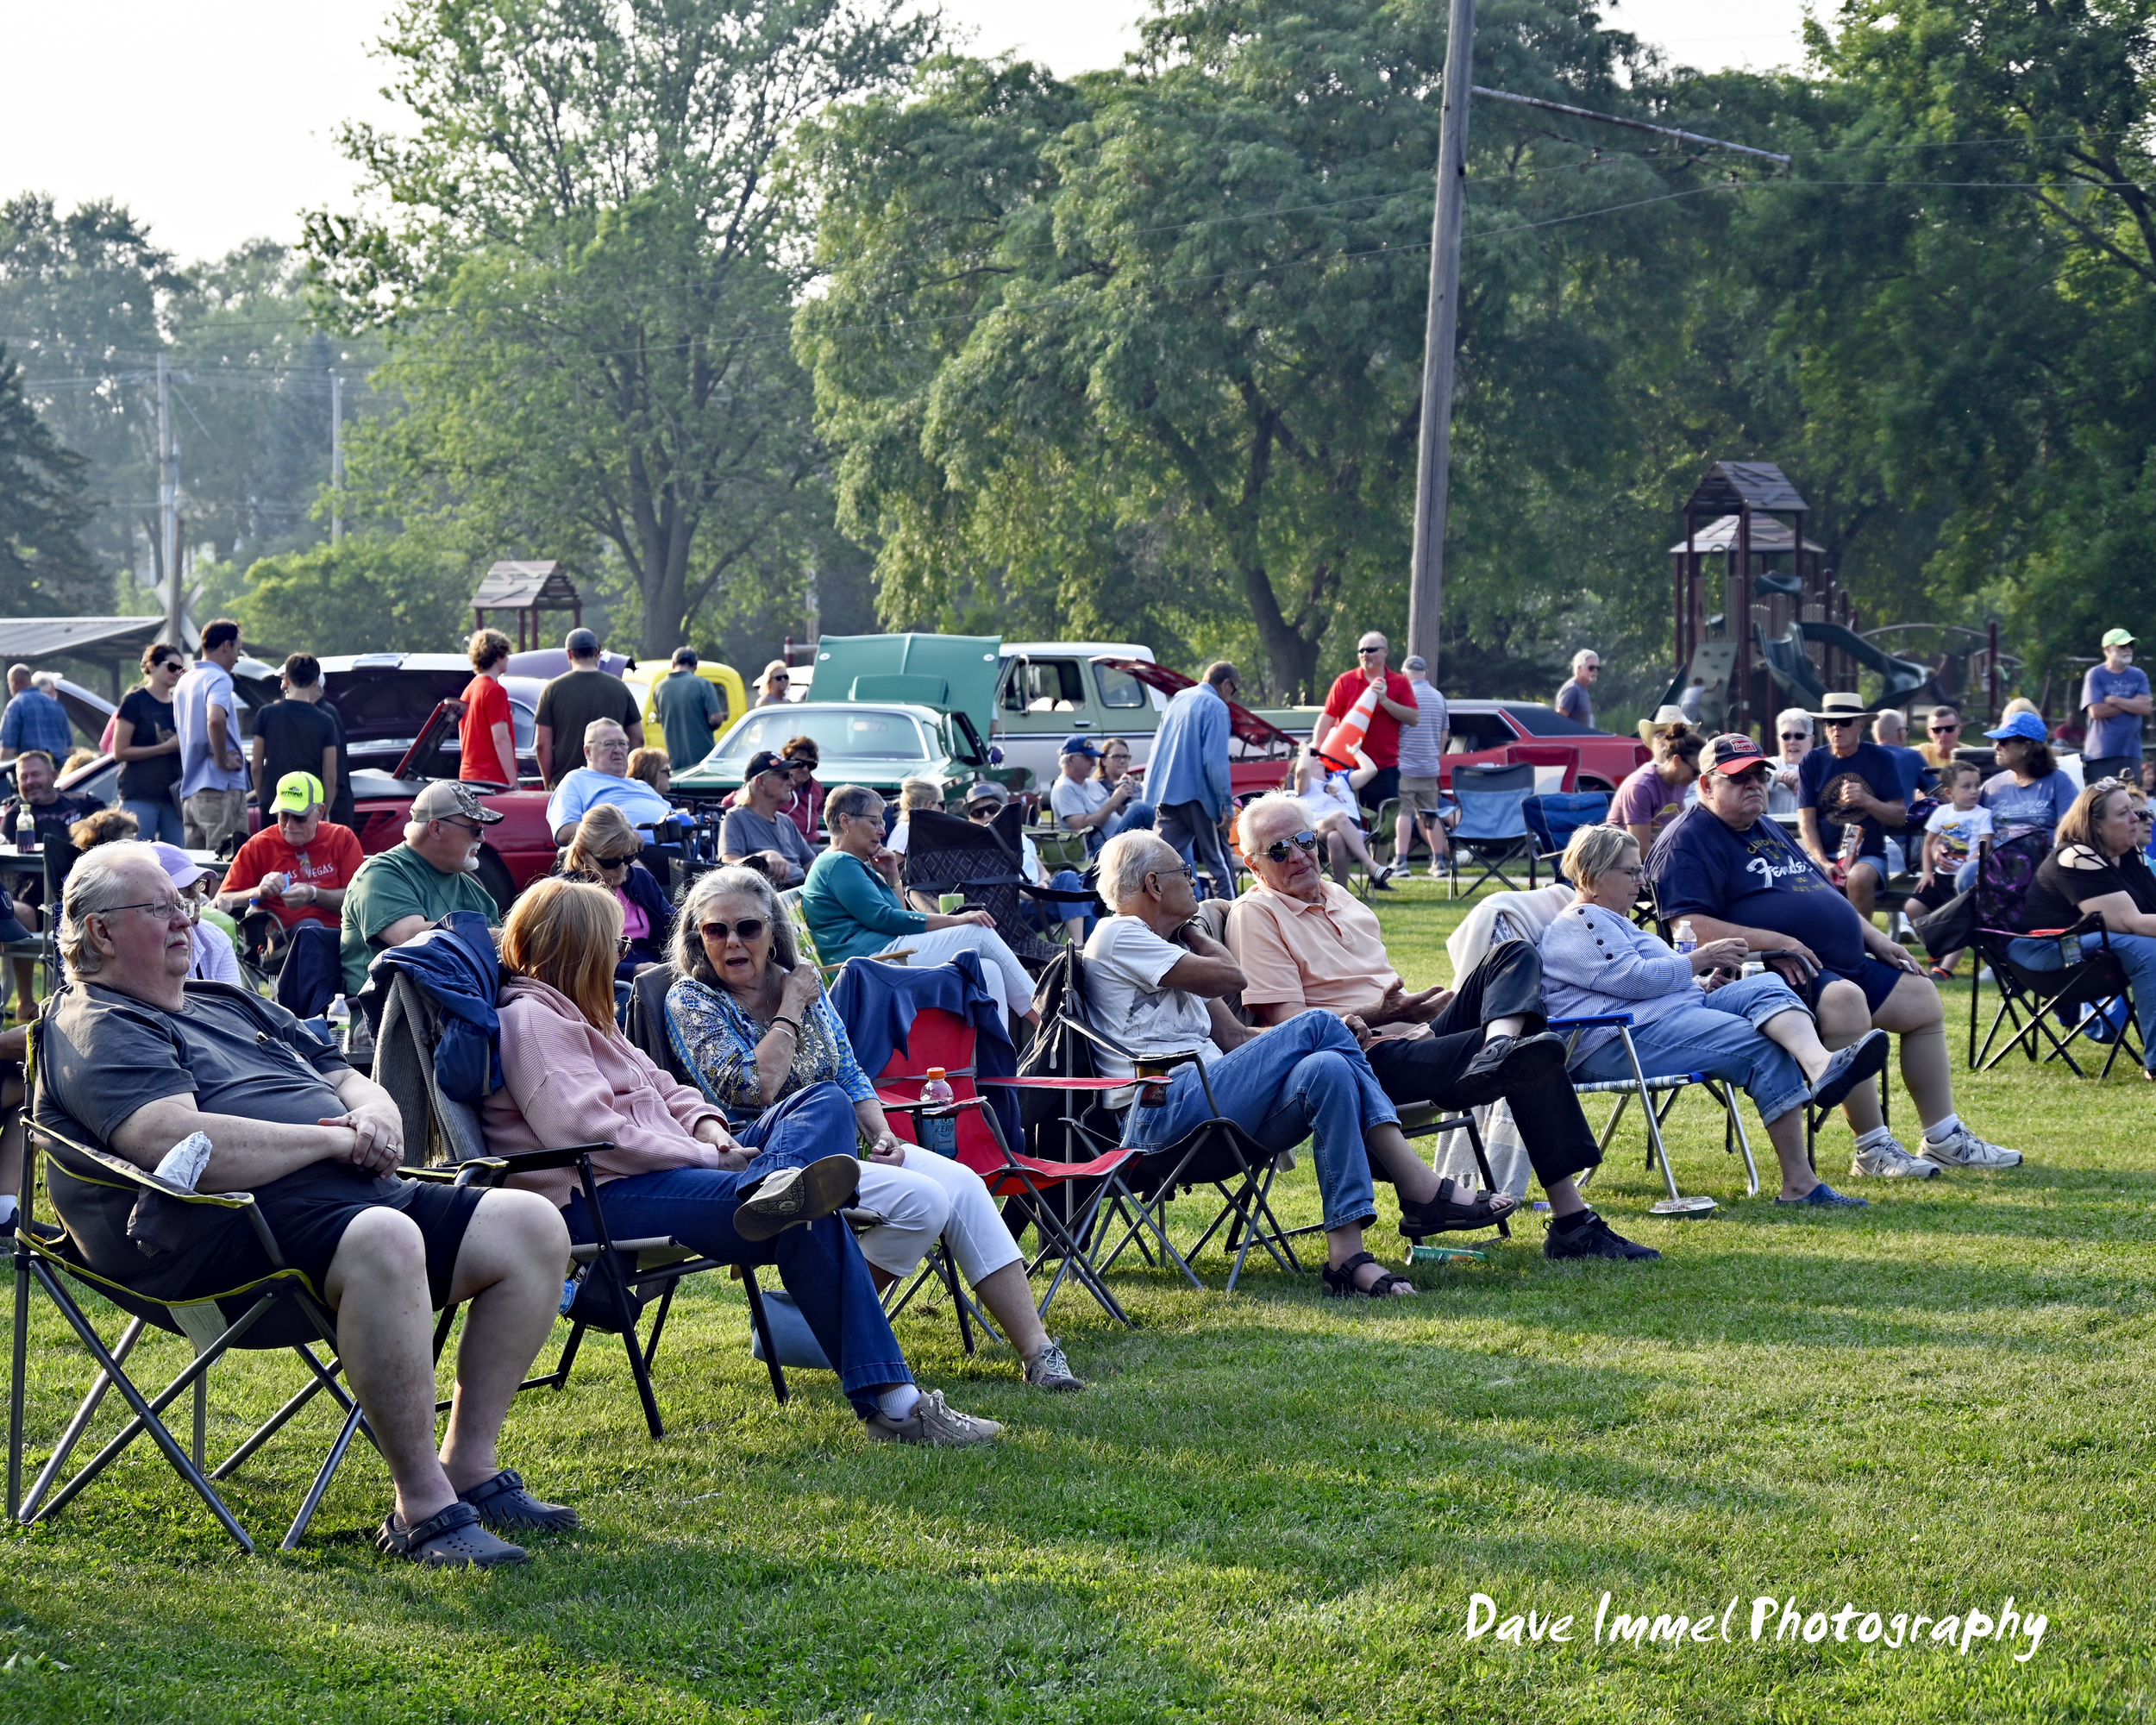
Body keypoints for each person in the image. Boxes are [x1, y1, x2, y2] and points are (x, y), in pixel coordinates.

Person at [41, 840, 577, 1567]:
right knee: (385, 1237)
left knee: (530, 1224)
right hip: (219, 1240)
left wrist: (377, 1110)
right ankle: (421, 1509)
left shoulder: (223, 1001)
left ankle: (469, 1468)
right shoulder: (99, 1022)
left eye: (186, 905)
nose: (185, 920)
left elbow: (341, 1072)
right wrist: (328, 1142)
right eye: (161, 908)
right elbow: (178, 1145)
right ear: (100, 932)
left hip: (348, 1198)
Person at [483, 876, 1003, 1446]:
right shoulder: (533, 1022)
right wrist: (705, 1153)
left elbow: (668, 1090)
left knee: (822, 1101)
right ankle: (898, 1408)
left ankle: (774, 1186)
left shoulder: (588, 1017)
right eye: (614, 943)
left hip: (666, 1172)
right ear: (578, 948)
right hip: (598, 1196)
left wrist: (711, 1134)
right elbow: (588, 1130)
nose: (619, 956)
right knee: (808, 1212)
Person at [664, 865, 1083, 1391]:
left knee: (964, 1186)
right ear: (698, 938)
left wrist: (883, 1134)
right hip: (760, 1164)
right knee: (924, 1200)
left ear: (773, 932)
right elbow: (755, 1088)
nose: (732, 942)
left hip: (840, 1148)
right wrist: (792, 1007)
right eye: (715, 930)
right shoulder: (693, 999)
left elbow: (849, 1072)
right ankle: (823, 1319)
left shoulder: (801, 981)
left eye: (747, 928)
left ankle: (1040, 1354)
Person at [1225, 795, 1661, 1259]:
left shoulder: (1339, 895)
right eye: (1278, 850)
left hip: (1414, 1034)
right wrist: (1382, 1014)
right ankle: (1575, 1224)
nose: (1297, 856)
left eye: (1304, 840)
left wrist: (1416, 1014)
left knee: (1512, 955)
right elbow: (1288, 1027)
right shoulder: (1257, 914)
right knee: (1532, 1045)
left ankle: (1497, 1047)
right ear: (1253, 864)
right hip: (1361, 1060)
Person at [1087, 829, 1518, 1299]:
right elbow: (1233, 976)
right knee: (1316, 1024)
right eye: (1185, 874)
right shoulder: (1118, 933)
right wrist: (1194, 929)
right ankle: (1419, 1186)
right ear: (1153, 885)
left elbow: (1236, 1038)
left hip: (1213, 1111)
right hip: (1161, 1113)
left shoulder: (1169, 956)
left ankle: (1347, 1258)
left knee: (1329, 1067)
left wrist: (1330, 1033)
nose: (1195, 883)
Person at [1646, 733, 2023, 1176]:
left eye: (1758, 775)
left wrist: (1878, 938)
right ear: (1706, 786)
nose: (1753, 785)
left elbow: (1826, 895)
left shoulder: (1764, 826)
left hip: (1835, 962)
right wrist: (1777, 943)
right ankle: (1873, 1148)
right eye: (1737, 778)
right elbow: (1689, 926)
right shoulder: (1687, 840)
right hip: (1764, 976)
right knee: (1845, 1000)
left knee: (1921, 998)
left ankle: (1943, 1137)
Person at [1544, 825, 1897, 1203]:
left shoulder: (1614, 921)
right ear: (1590, 874)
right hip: (1614, 1040)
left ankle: (1820, 1065)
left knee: (1765, 986)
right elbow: (1633, 981)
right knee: (1757, 1044)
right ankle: (1800, 1184)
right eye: (1630, 872)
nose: (1641, 881)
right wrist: (1703, 958)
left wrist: (1700, 984)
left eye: (1641, 869)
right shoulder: (1581, 922)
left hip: (1659, 1019)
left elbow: (1643, 981)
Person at [801, 784, 1037, 1019]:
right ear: (845, 821)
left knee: (989, 970)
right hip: (868, 965)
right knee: (979, 932)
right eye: (874, 822)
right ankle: (1047, 1021)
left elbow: (895, 914)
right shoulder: (838, 863)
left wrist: (893, 876)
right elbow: (886, 920)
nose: (882, 831)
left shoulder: (846, 863)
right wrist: (954, 920)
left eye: (882, 823)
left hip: (883, 955)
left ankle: (999, 1055)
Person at [2000, 780, 2156, 1078]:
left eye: (2136, 812)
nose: (2137, 818)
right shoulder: (2077, 857)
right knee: (2150, 948)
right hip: (2048, 952)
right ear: (2096, 825)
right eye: (2124, 813)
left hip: (2089, 946)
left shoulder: (2128, 854)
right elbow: (2132, 922)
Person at [339, 781, 504, 1000]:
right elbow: (409, 937)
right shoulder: (379, 874)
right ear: (436, 828)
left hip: (455, 1011)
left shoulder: (476, 893)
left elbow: (501, 955)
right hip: (385, 1020)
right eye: (475, 829)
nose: (482, 838)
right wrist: (493, 936)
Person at [1, 749, 103, 1018]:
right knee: (17, 913)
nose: (29, 782)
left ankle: (86, 999)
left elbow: (106, 827)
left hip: (83, 893)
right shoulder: (16, 814)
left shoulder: (83, 803)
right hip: (32, 894)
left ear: (54, 775)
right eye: (23, 778)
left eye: (35, 774)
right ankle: (25, 1001)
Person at [1796, 693, 1911, 919]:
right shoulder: (1812, 762)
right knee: (1798, 879)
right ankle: (1809, 948)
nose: (1837, 728)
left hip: (1868, 856)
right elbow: (1806, 821)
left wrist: (1866, 800)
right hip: (1823, 854)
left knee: (1858, 877)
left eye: (1845, 722)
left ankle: (1861, 947)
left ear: (1860, 725)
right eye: (1830, 722)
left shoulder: (1880, 758)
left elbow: (1899, 816)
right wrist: (1824, 863)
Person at [215, 771, 365, 935]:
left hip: (339, 938)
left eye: (299, 817)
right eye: (284, 816)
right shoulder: (259, 845)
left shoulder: (342, 838)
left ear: (320, 813)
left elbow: (360, 900)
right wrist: (258, 892)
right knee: (308, 929)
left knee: (310, 928)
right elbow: (221, 900)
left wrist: (314, 895)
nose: (290, 826)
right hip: (280, 943)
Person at [1147, 661, 1240, 900]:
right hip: (1200, 797)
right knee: (1219, 864)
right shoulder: (1217, 707)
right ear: (1227, 683)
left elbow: (1159, 747)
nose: (1232, 697)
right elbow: (1215, 763)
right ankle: (1235, 923)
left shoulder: (1178, 699)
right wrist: (1226, 806)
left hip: (1166, 794)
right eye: (1234, 690)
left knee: (1156, 865)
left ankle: (1138, 920)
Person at [962, 779, 1089, 944]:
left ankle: (1079, 948)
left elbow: (1042, 871)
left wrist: (1044, 882)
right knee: (1083, 901)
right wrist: (1034, 893)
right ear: (972, 820)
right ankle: (1088, 956)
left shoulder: (1020, 838)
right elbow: (1003, 887)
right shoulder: (977, 850)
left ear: (1002, 811)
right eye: (978, 813)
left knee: (1068, 878)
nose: (986, 815)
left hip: (1041, 899)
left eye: (991, 809)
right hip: (1015, 911)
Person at [1314, 632, 1418, 816]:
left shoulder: (1400, 682)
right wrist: (1316, 751)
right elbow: (1327, 718)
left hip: (1384, 766)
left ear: (1385, 652)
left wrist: (1385, 700)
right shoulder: (1345, 681)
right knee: (1349, 821)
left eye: (1371, 650)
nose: (1365, 654)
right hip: (1346, 767)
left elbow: (1413, 718)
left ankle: (1379, 847)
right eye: (1361, 650)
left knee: (1383, 824)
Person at [561, 803, 671, 977]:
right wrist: (631, 971)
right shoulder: (567, 895)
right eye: (610, 862)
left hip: (657, 972)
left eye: (629, 858)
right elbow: (569, 961)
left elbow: (674, 925)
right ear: (583, 854)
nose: (622, 869)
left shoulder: (641, 879)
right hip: (605, 984)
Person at [172, 618, 252, 853]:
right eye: (238, 649)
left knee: (196, 873)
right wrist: (222, 759)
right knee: (229, 865)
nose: (238, 658)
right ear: (226, 646)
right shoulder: (219, 678)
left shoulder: (184, 681)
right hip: (220, 788)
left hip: (191, 792)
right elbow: (215, 719)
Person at [545, 719, 684, 848]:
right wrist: (619, 835)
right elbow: (564, 831)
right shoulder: (576, 780)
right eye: (609, 744)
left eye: (623, 744)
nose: (618, 750)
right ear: (588, 752)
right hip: (625, 856)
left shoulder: (641, 786)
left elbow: (675, 817)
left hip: (683, 854)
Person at [1914, 761, 1992, 981]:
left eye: (1977, 785)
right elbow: (1928, 844)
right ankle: (1934, 953)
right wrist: (1927, 872)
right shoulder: (1942, 813)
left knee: (1960, 919)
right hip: (1941, 876)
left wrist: (1968, 868)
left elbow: (1986, 847)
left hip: (1966, 880)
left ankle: (1945, 970)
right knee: (1912, 907)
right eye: (1966, 787)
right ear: (1949, 793)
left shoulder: (1982, 815)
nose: (1974, 791)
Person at [533, 629, 642, 786]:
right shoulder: (619, 687)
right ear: (596, 652)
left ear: (569, 654)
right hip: (612, 783)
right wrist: (623, 773)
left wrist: (549, 782)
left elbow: (542, 744)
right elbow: (638, 738)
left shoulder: (553, 689)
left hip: (567, 783)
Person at [1976, 711, 2079, 858]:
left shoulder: (2059, 782)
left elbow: (2071, 834)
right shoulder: (1991, 787)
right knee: (1966, 875)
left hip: (2044, 865)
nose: (1996, 747)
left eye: (2004, 742)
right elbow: (1967, 825)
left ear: (2026, 747)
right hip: (1997, 866)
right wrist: (1936, 847)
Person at [1287, 746, 1392, 888]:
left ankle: (1343, 891)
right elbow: (1302, 771)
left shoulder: (1341, 778)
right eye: (1313, 756)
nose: (1318, 757)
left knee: (1335, 838)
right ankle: (1371, 865)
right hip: (1317, 828)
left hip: (1351, 830)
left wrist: (1356, 751)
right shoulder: (1305, 784)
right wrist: (1305, 749)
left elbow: (1371, 771)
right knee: (1339, 816)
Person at [113, 643, 186, 844]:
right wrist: (165, 748)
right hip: (139, 794)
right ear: (152, 666)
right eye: (172, 667)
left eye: (181, 668)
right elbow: (119, 751)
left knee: (176, 861)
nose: (177, 672)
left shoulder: (179, 702)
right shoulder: (134, 701)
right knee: (137, 857)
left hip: (173, 798)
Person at [252, 653, 341, 817]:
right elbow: (330, 774)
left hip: (274, 802)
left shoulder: (265, 714)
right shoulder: (326, 721)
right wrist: (324, 811)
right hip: (309, 806)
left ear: (286, 679)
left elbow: (256, 766)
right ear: (315, 683)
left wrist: (263, 799)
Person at [151, 841, 243, 986]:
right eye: (184, 886)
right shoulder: (139, 945)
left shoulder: (216, 939)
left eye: (196, 883)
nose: (194, 893)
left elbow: (234, 1006)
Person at [719, 750, 817, 886]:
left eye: (790, 776)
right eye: (784, 776)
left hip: (800, 893)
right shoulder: (735, 818)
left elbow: (813, 867)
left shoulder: (787, 822)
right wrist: (763, 857)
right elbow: (728, 867)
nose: (792, 782)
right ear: (760, 782)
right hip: (768, 897)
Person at [1047, 735, 1153, 857]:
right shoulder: (1064, 788)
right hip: (1100, 850)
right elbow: (1080, 827)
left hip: (1117, 840)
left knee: (1144, 807)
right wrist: (1114, 801)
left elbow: (1119, 813)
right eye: (1088, 758)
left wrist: (1124, 788)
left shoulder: (1092, 784)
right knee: (1139, 809)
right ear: (1070, 759)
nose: (1093, 763)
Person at [1395, 654, 1451, 875]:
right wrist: (1435, 756)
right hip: (1430, 768)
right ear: (1426, 674)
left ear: (1404, 673)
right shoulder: (1439, 697)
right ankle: (1438, 863)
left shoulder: (1403, 697)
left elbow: (1395, 732)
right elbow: (1444, 734)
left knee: (1404, 813)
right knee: (1431, 814)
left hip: (1405, 767)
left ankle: (1401, 862)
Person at [1612, 721, 1704, 850]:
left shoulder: (1680, 781)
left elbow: (1683, 822)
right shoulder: (1641, 787)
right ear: (1677, 761)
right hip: (1622, 858)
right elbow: (1640, 849)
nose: (1697, 778)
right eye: (1696, 772)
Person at [2081, 629, 2151, 787]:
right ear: (2107, 649)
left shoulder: (2139, 675)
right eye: (2122, 646)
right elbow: (2096, 711)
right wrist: (2132, 703)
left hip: (2132, 753)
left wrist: (2114, 700)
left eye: (2130, 645)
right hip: (2101, 754)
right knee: (2102, 803)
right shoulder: (2095, 674)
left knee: (2132, 802)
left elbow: (2146, 708)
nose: (2127, 649)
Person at [458, 628, 518, 787]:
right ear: (498, 656)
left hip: (468, 776)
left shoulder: (468, 690)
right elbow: (500, 739)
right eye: (506, 654)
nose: (508, 659)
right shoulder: (495, 691)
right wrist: (513, 780)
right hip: (492, 779)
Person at [653, 647, 726, 772]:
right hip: (702, 760)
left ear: (673, 664)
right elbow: (716, 718)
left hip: (675, 760)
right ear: (695, 666)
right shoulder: (703, 684)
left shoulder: (659, 688)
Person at [0, 666, 74, 765]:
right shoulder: (56, 704)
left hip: (31, 771)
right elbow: (69, 748)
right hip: (60, 771)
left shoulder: (16, 705)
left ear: (13, 682)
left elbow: (8, 750)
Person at [779, 736, 827, 844]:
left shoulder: (816, 788)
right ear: (786, 761)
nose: (805, 769)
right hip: (780, 843)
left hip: (809, 844)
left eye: (811, 765)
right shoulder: (774, 783)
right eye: (799, 763)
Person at [1767, 708, 1813, 817]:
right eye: (1786, 736)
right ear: (1779, 740)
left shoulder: (1823, 767)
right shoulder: (1769, 765)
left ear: (1812, 740)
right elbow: (1751, 780)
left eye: (1799, 736)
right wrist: (1779, 778)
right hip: (1775, 832)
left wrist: (1805, 777)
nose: (1792, 742)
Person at [885, 777, 943, 856]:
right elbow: (895, 865)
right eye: (940, 803)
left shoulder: (917, 830)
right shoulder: (905, 830)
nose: (943, 810)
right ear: (930, 805)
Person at [1555, 649, 1599, 729]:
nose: (1595, 671)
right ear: (1579, 668)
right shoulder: (1572, 690)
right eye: (1591, 668)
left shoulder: (1582, 689)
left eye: (1597, 668)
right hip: (1571, 741)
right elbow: (1558, 722)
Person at [1917, 705, 1964, 772]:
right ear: (1929, 733)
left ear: (1959, 729)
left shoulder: (1972, 756)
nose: (1943, 735)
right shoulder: (1920, 754)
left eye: (1949, 729)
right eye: (1937, 730)